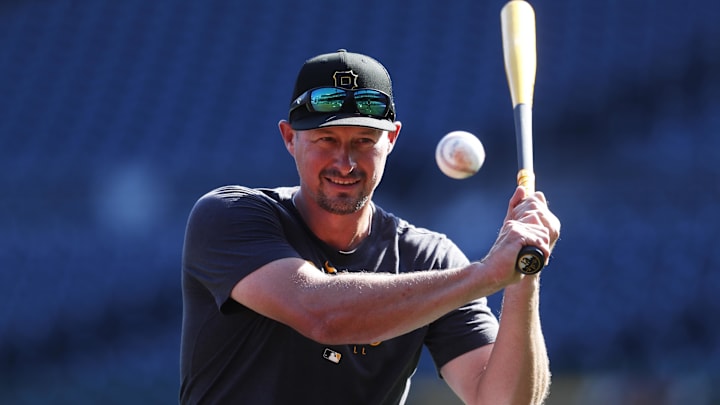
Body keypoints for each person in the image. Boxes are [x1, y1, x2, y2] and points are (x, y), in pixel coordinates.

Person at [180, 49, 560, 405]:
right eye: (325, 139)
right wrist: (484, 275)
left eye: (364, 141)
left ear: (391, 139)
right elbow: (321, 314)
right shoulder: (229, 215)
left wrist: (523, 270)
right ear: (289, 138)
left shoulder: (430, 258)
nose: (345, 163)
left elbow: (500, 400)